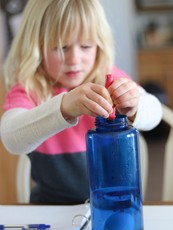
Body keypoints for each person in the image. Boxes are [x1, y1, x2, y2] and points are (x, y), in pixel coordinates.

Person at [0, 0, 162, 204]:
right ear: (37, 46)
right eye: (61, 47)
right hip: (51, 209)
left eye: (85, 46)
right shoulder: (29, 89)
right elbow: (11, 138)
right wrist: (64, 107)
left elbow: (156, 112)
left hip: (112, 204)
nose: (74, 59)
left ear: (99, 45)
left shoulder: (108, 78)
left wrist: (136, 106)